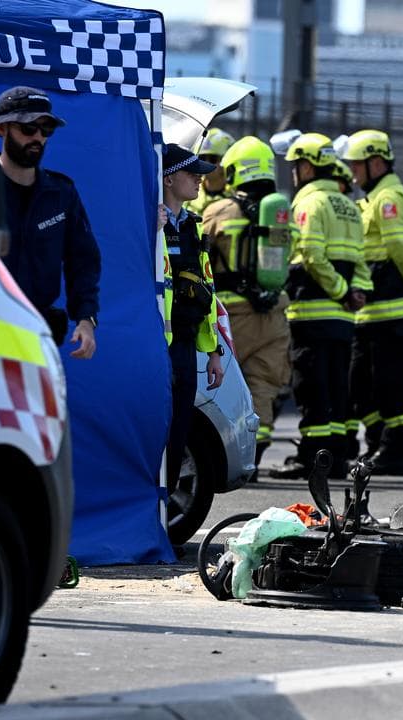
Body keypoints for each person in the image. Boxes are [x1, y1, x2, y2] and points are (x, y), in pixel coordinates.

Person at [272, 133, 370, 480]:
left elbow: (311, 255)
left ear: (308, 167)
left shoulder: (309, 204)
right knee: (337, 389)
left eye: (296, 165)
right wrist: (355, 291)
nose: (294, 173)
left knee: (312, 389)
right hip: (343, 318)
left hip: (310, 313)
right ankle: (337, 459)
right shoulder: (349, 206)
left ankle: (312, 460)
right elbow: (361, 261)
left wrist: (340, 290)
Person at [341, 129, 403, 475]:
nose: (352, 173)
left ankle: (395, 452)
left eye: (357, 165)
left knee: (388, 386)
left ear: (377, 163)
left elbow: (401, 249)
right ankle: (378, 444)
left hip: (392, 313)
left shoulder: (388, 198)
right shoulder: (373, 199)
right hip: (370, 315)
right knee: (360, 386)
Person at [0, 86, 100, 358]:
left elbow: (83, 261)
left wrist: (86, 319)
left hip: (37, 336)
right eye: (28, 128)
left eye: (46, 129)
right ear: (2, 128)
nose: (37, 137)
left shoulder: (61, 193)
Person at [199, 136, 291, 466]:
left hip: (234, 313)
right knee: (263, 385)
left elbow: (200, 256)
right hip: (275, 313)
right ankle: (256, 453)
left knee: (223, 384)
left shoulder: (218, 211)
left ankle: (226, 453)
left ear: (235, 170)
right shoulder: (280, 212)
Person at [159, 144, 225, 491]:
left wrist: (213, 351)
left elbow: (206, 290)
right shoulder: (148, 221)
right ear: (169, 179)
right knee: (154, 431)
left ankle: (166, 508)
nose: (200, 180)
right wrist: (151, 231)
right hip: (154, 346)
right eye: (192, 173)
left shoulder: (193, 227)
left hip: (184, 345)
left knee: (178, 432)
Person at [185, 128, 235, 216]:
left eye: (213, 159)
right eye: (202, 158)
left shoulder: (235, 195)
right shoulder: (188, 194)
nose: (206, 163)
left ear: (226, 161)